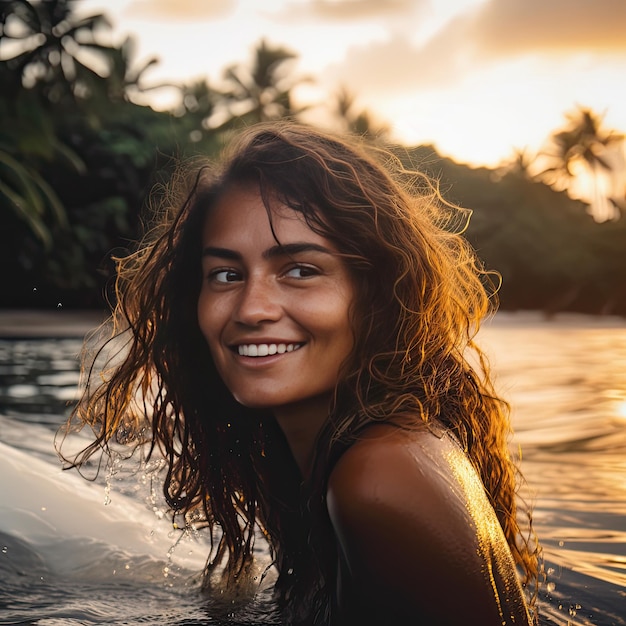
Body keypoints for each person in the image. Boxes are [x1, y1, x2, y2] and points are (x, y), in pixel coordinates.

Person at [63, 121, 539, 625]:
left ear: (374, 296)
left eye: (300, 270)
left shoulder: (378, 478)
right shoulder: (323, 463)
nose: (252, 309)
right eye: (226, 274)